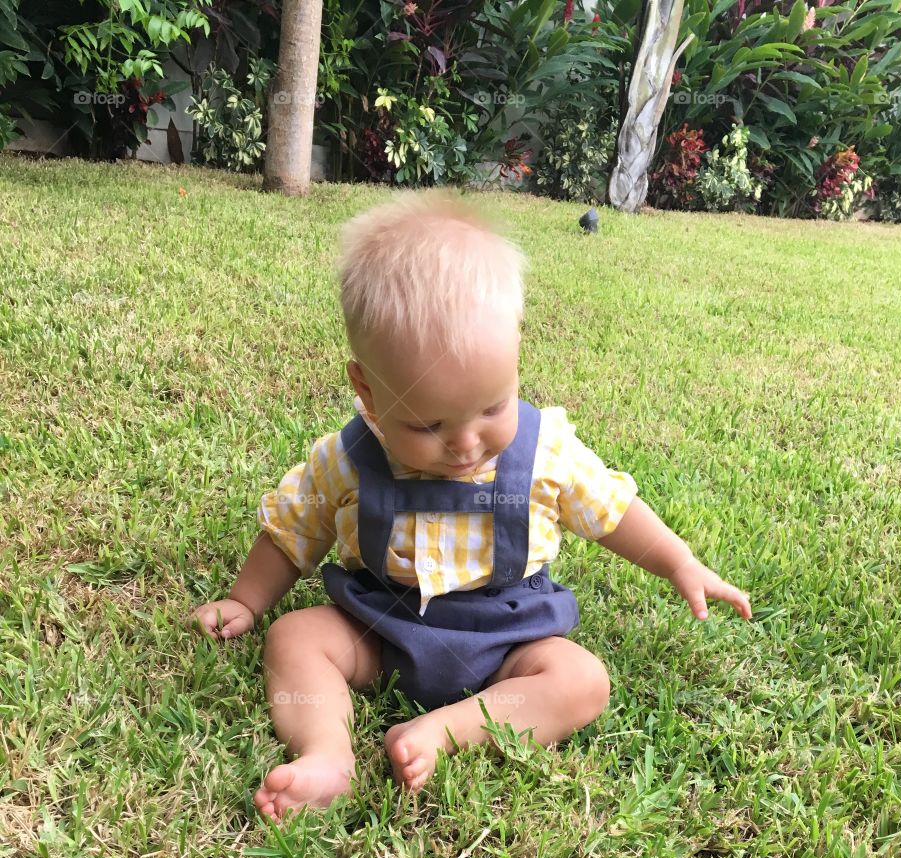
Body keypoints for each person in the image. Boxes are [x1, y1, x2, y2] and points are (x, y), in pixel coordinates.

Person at [192, 190, 751, 817]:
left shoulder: (545, 455)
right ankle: (327, 753)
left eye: (491, 408)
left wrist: (680, 563)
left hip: (509, 639)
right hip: (380, 629)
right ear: (368, 392)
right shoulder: (347, 459)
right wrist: (245, 600)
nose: (464, 444)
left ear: (514, 355)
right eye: (427, 425)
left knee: (583, 680)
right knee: (294, 638)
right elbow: (291, 530)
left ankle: (450, 730)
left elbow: (612, 511)